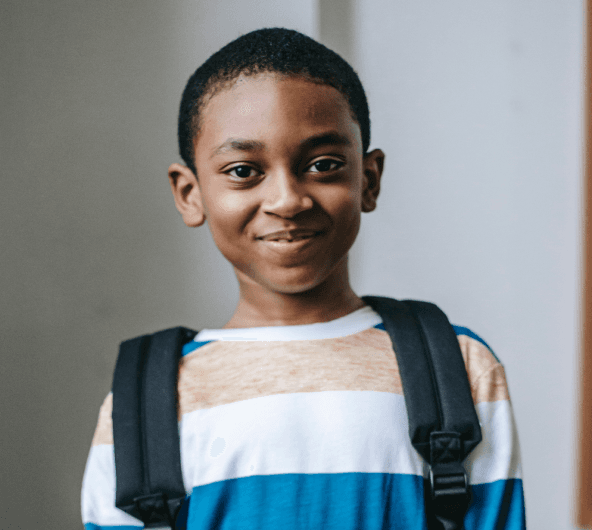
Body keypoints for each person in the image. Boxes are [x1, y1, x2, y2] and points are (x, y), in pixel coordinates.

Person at [81, 27, 525, 529]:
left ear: (369, 179)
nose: (288, 200)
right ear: (190, 194)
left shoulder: (458, 370)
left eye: (323, 164)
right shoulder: (146, 405)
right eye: (244, 171)